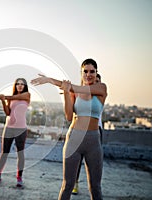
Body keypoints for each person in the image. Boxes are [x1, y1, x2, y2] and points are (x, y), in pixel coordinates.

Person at [31, 58, 107, 200]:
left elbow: (77, 88)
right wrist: (66, 92)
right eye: (85, 71)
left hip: (93, 140)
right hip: (74, 138)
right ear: (81, 73)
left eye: (92, 71)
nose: (89, 74)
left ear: (96, 73)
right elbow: (68, 117)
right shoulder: (74, 92)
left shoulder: (101, 88)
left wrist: (51, 80)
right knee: (67, 185)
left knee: (95, 187)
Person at [0, 78, 31, 187]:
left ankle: (19, 177)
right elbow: (8, 113)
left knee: (20, 153)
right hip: (9, 128)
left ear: (25, 86)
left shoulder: (27, 96)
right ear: (15, 86)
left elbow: (15, 97)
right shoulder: (10, 99)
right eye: (18, 84)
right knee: (4, 152)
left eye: (22, 84)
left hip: (21, 129)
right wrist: (3, 100)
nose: (20, 86)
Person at [72, 73, 103, 195]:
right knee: (77, 162)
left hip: (97, 130)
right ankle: (75, 182)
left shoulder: (100, 94)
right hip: (79, 130)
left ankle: (95, 185)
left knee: (95, 164)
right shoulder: (81, 94)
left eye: (98, 82)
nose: (96, 84)